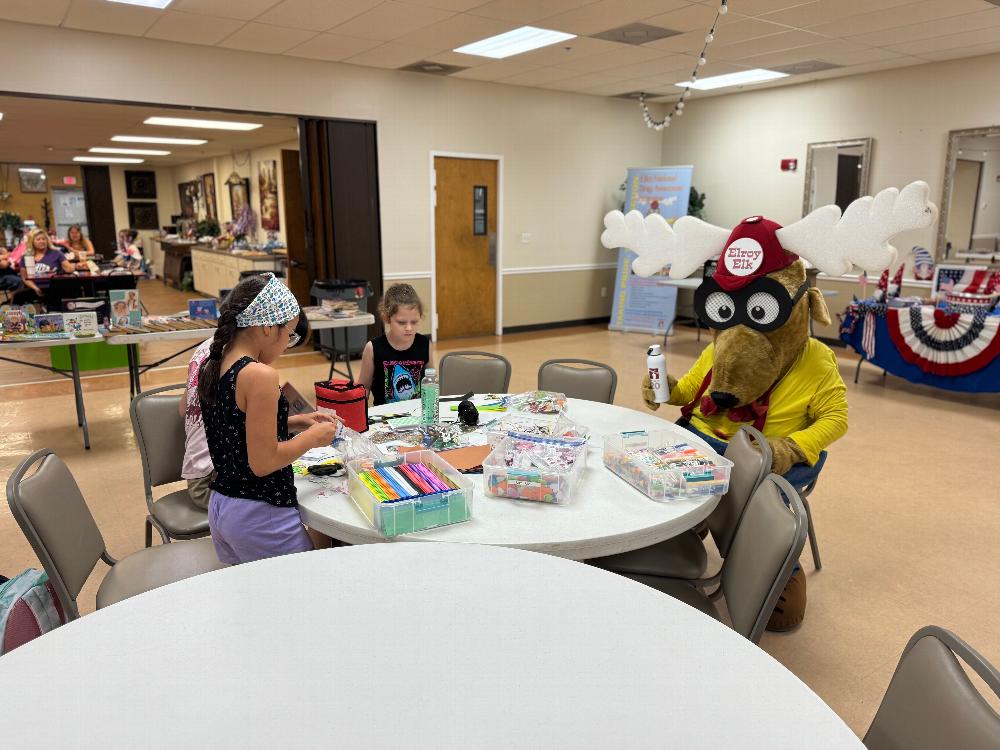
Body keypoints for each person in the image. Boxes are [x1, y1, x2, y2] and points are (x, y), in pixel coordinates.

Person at [197, 273, 340, 564]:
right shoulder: (259, 375)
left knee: (252, 590)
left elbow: (235, 428)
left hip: (223, 507)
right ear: (267, 326)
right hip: (260, 513)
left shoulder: (215, 363)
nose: (287, 344)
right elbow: (263, 462)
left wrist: (296, 422)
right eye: (289, 334)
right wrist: (312, 438)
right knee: (303, 586)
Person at [358, 283, 433, 406]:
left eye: (414, 322)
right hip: (384, 416)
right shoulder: (373, 348)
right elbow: (364, 388)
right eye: (401, 322)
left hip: (418, 413)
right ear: (387, 318)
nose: (409, 328)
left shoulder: (425, 344)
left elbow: (431, 383)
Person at [17, 228, 73, 301]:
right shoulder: (26, 257)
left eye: (44, 239)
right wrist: (36, 288)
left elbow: (70, 269)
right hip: (34, 288)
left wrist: (68, 266)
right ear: (32, 242)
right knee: (18, 297)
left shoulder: (56, 253)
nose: (42, 241)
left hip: (55, 288)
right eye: (38, 239)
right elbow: (24, 278)